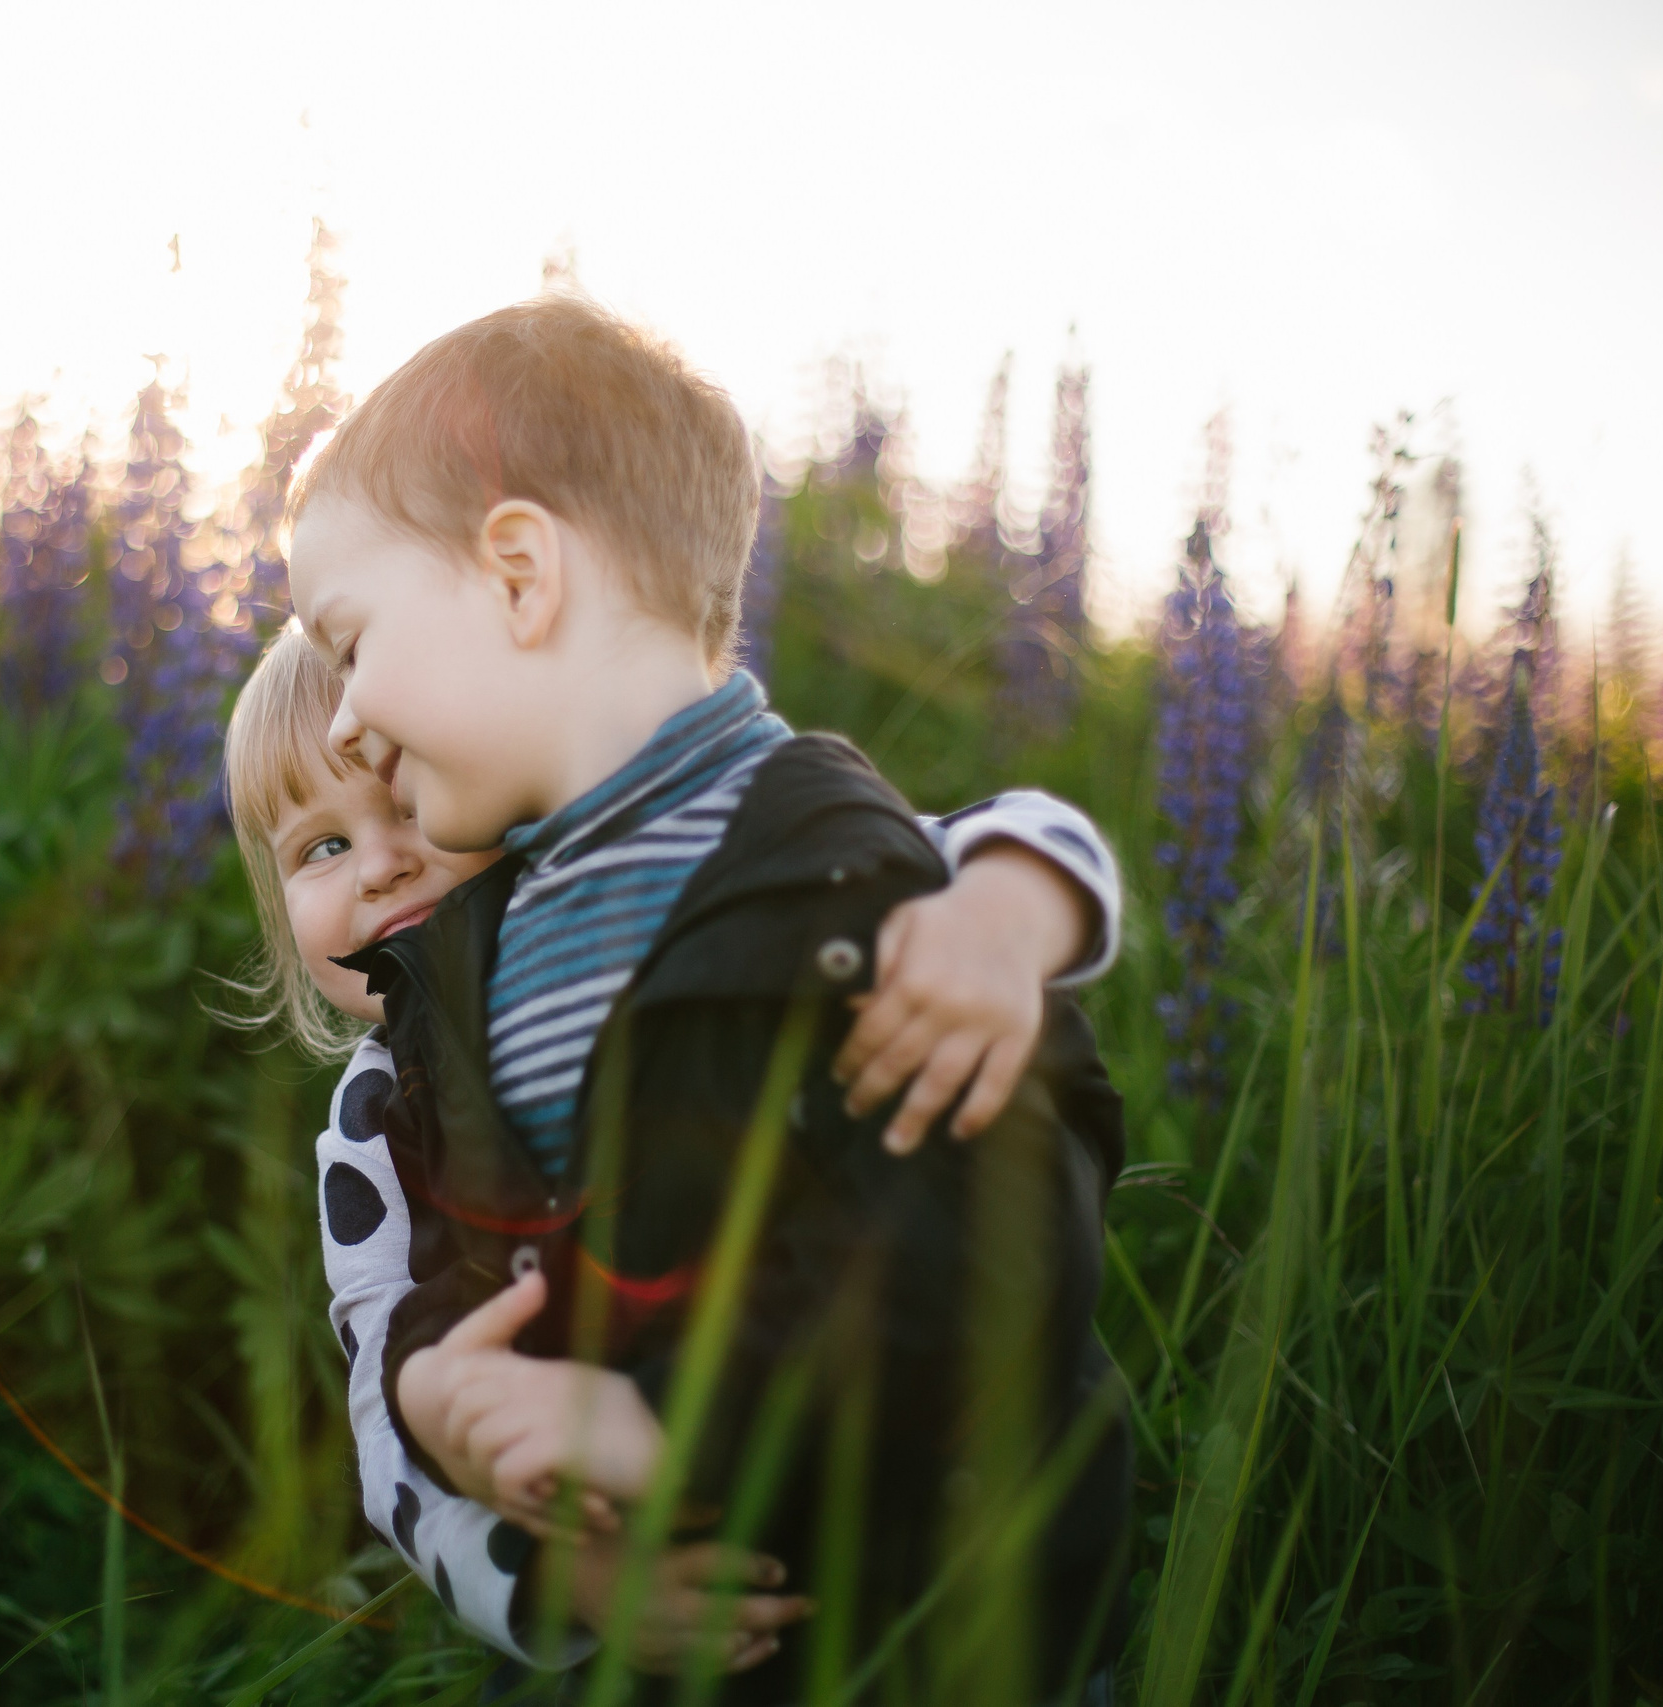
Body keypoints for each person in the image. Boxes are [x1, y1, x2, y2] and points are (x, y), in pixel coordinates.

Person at [272, 294, 1132, 1701]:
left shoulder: (845, 881)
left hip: (913, 1635)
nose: (348, 717)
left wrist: (674, 1432)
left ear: (518, 576)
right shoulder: (478, 950)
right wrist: (435, 1391)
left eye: (352, 641)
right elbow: (453, 1254)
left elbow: (989, 1248)